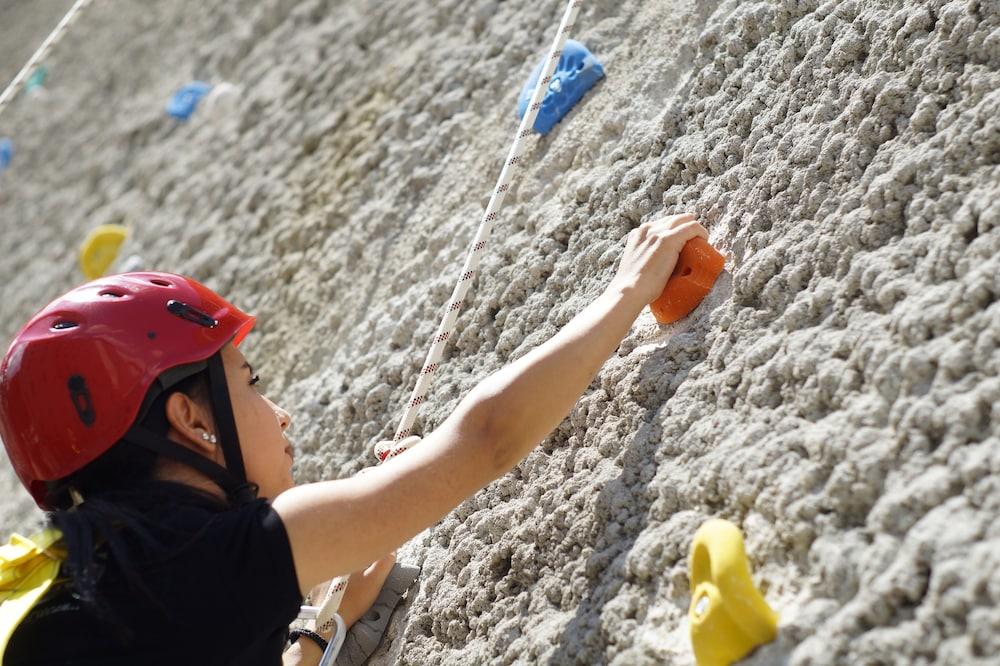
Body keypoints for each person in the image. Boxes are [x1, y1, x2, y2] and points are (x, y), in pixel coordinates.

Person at [0, 214, 707, 665]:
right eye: (248, 383)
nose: (279, 413)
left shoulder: (78, 584)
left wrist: (316, 637)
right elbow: (487, 440)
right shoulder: (215, 557)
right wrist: (626, 292)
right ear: (191, 421)